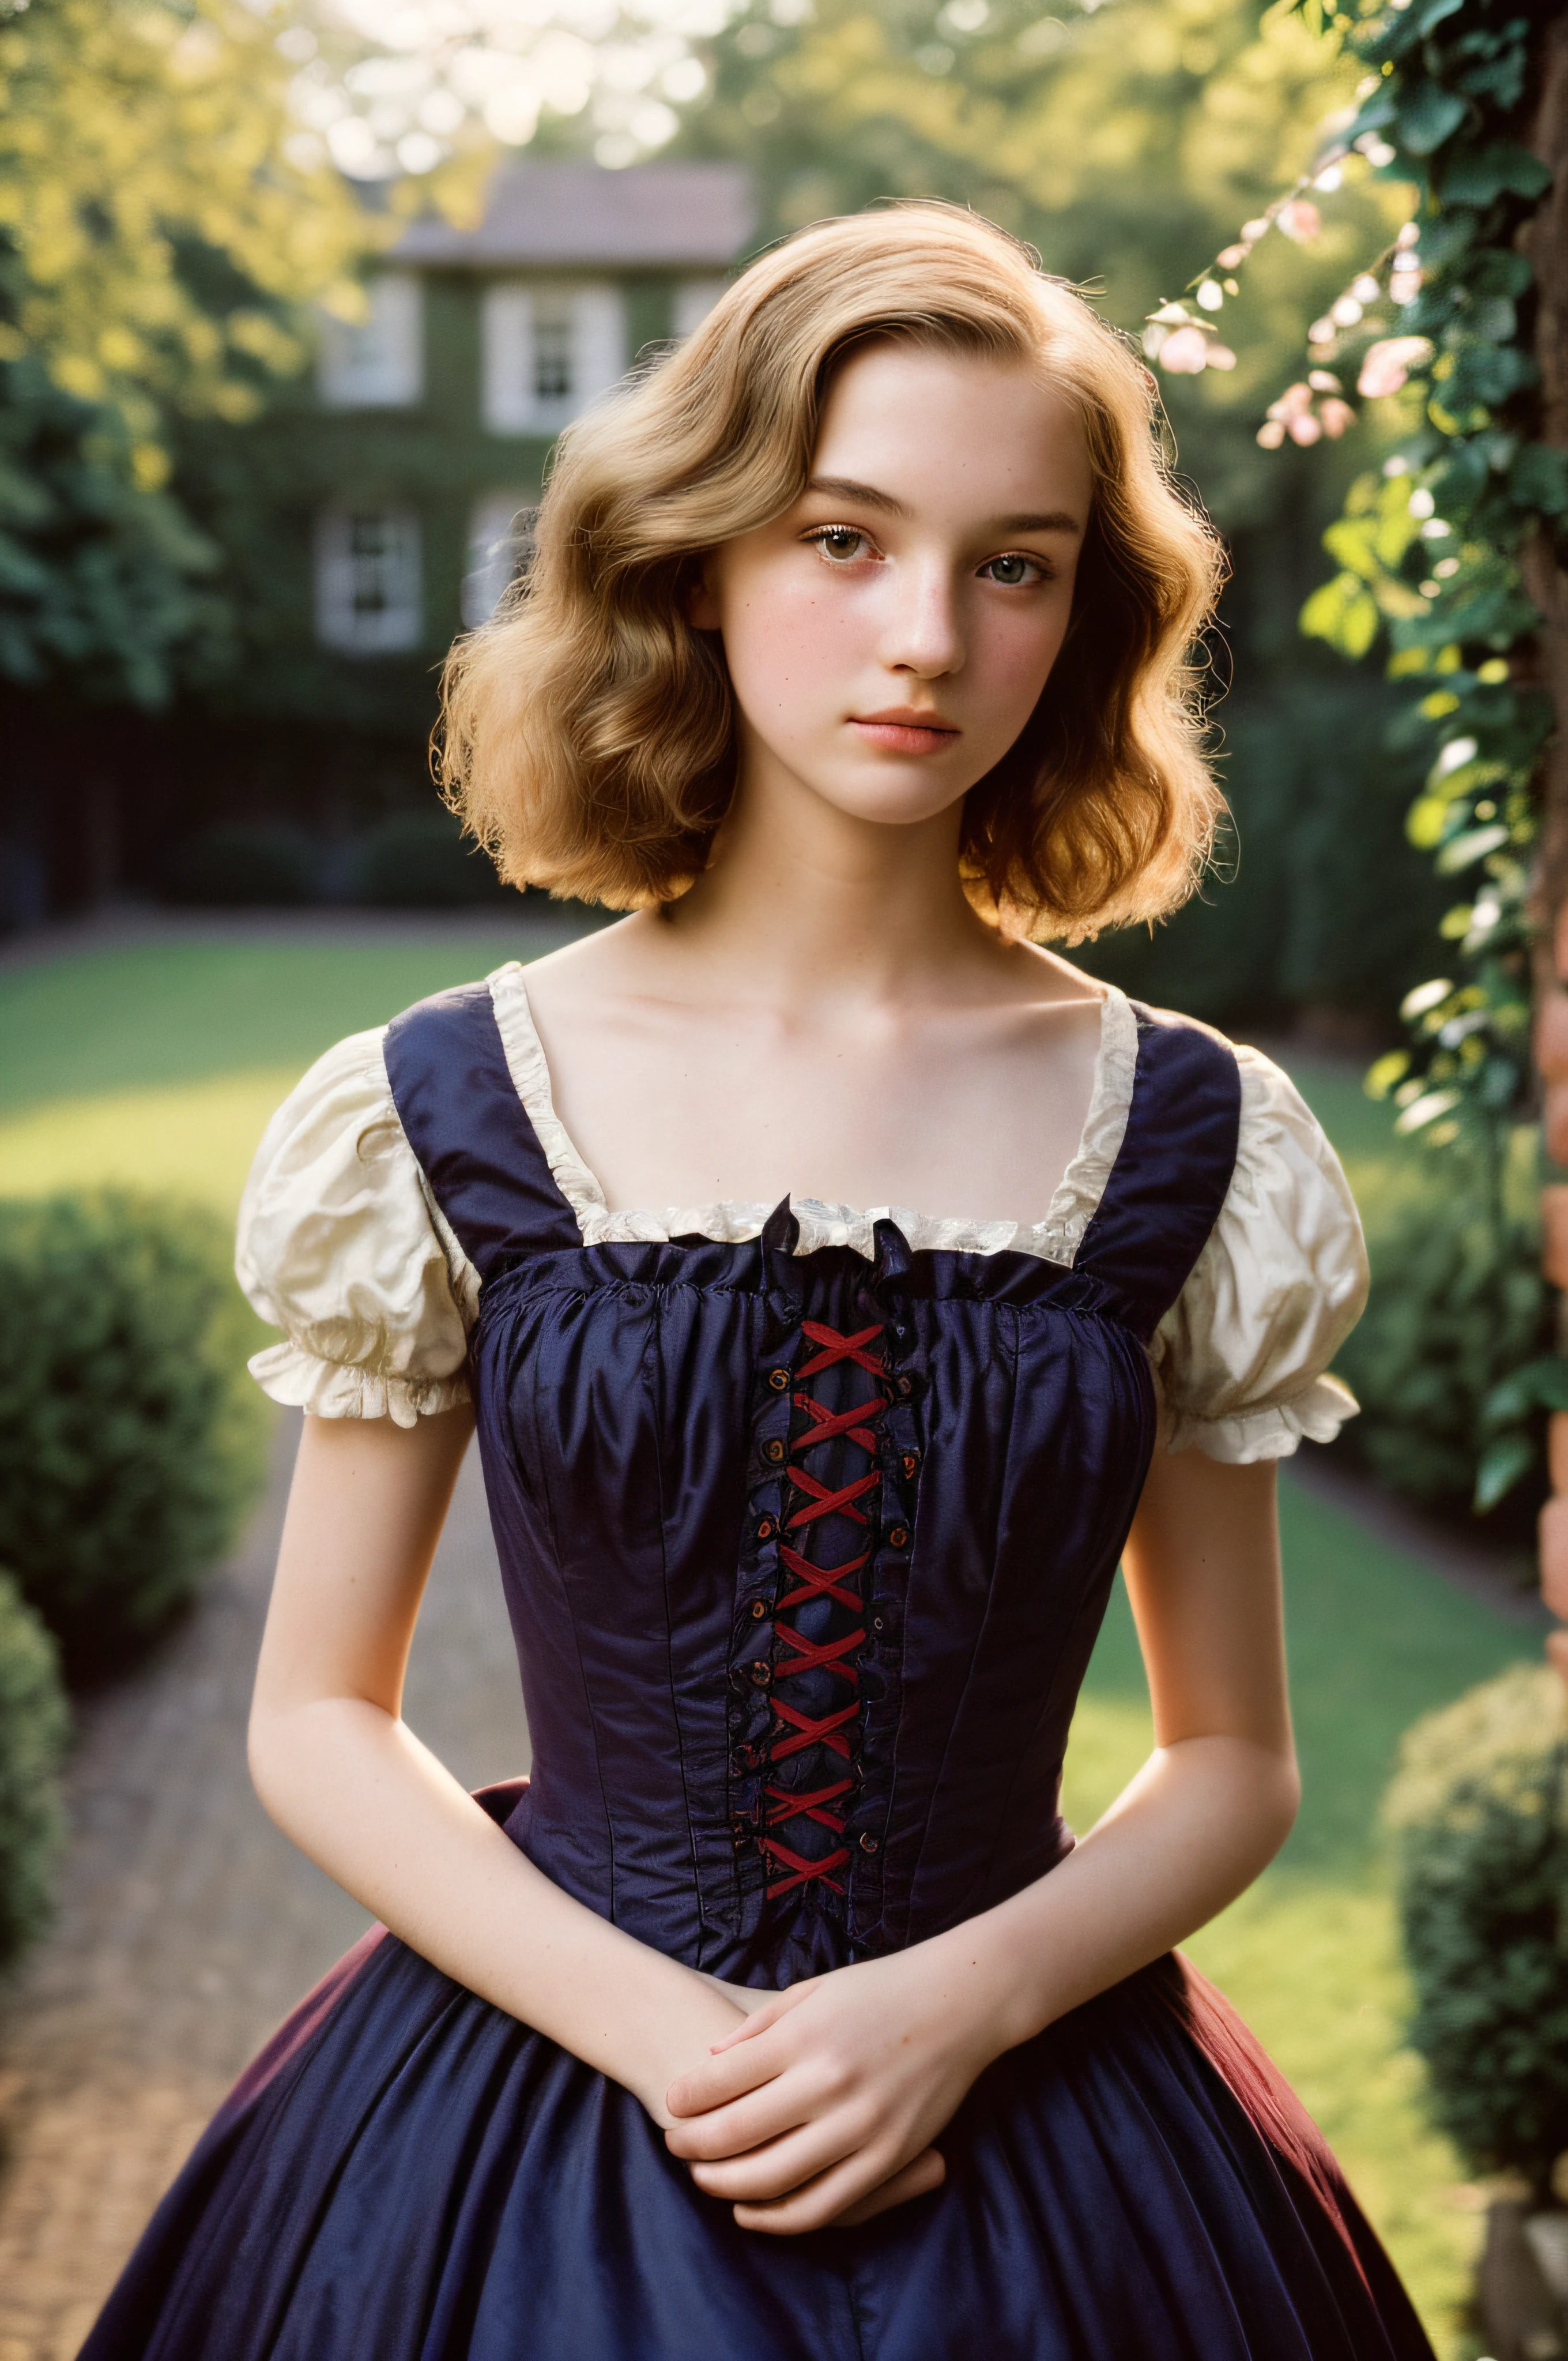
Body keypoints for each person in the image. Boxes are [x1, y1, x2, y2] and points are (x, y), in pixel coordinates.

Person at [82, 205, 1435, 2359]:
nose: (928, 634)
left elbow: (1232, 1757)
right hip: (520, 2126)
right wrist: (678, 2041)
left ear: (1084, 615)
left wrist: (954, 2005)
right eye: (841, 538)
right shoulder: (441, 1106)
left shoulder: (1200, 1137)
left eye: (1016, 561)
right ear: (690, 559)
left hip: (1062, 2151)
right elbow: (321, 1717)